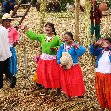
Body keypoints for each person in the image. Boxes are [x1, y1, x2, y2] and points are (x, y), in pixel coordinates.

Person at [24, 22, 62, 95]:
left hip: (52, 60)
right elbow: (34, 36)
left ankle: (58, 90)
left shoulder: (56, 38)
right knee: (45, 74)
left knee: (55, 74)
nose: (47, 28)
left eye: (49, 27)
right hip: (44, 59)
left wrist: (56, 48)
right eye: (46, 27)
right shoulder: (42, 37)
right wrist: (27, 30)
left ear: (53, 29)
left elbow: (61, 46)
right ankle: (46, 90)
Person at [57, 32, 86, 100]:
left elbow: (81, 52)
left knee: (76, 81)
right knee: (67, 81)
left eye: (67, 37)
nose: (65, 38)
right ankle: (68, 96)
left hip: (74, 67)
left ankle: (79, 93)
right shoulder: (62, 46)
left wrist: (76, 46)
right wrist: (60, 63)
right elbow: (58, 55)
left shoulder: (75, 45)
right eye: (65, 37)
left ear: (71, 38)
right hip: (65, 67)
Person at [89, 38, 111, 111]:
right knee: (100, 92)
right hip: (99, 74)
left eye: (107, 42)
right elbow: (92, 51)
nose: (105, 43)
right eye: (104, 42)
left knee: (108, 93)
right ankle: (102, 106)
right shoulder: (100, 51)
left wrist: (109, 47)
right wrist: (96, 44)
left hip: (108, 76)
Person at [2, 13, 19, 88]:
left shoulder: (12, 29)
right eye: (6, 21)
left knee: (11, 61)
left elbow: (16, 36)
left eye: (9, 21)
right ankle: (6, 75)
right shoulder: (1, 29)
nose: (8, 23)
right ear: (3, 21)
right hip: (2, 48)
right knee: (3, 62)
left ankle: (11, 76)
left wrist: (16, 41)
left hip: (10, 47)